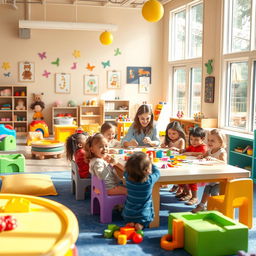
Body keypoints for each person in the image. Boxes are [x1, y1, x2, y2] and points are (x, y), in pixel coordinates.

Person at [122, 151, 160, 230]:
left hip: (128, 213)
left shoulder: (128, 177)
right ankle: (140, 225)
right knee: (145, 218)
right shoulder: (149, 181)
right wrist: (151, 162)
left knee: (130, 217)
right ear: (147, 170)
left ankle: (131, 223)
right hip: (144, 214)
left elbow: (125, 171)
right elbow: (157, 172)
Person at [192, 129, 227, 213]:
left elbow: (224, 163)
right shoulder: (209, 151)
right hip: (212, 176)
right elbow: (203, 156)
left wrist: (214, 159)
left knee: (214, 193)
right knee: (206, 190)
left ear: (220, 142)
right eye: (208, 140)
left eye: (212, 141)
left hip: (219, 178)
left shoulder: (222, 152)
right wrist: (201, 157)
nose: (209, 142)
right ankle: (202, 205)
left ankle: (216, 208)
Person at [178, 127, 207, 205]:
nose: (193, 142)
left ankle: (195, 197)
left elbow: (203, 153)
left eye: (196, 140)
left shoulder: (203, 147)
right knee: (182, 179)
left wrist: (191, 153)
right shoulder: (192, 146)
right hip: (189, 166)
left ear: (202, 139)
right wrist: (183, 150)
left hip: (198, 168)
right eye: (191, 139)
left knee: (192, 181)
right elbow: (187, 149)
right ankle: (188, 194)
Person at [161, 121, 186, 193]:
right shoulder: (169, 140)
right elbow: (164, 146)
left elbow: (182, 151)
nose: (171, 135)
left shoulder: (181, 140)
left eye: (174, 133)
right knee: (165, 168)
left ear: (179, 133)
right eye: (169, 133)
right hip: (170, 159)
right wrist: (163, 145)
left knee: (178, 173)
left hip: (178, 159)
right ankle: (166, 183)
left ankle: (180, 186)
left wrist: (177, 149)